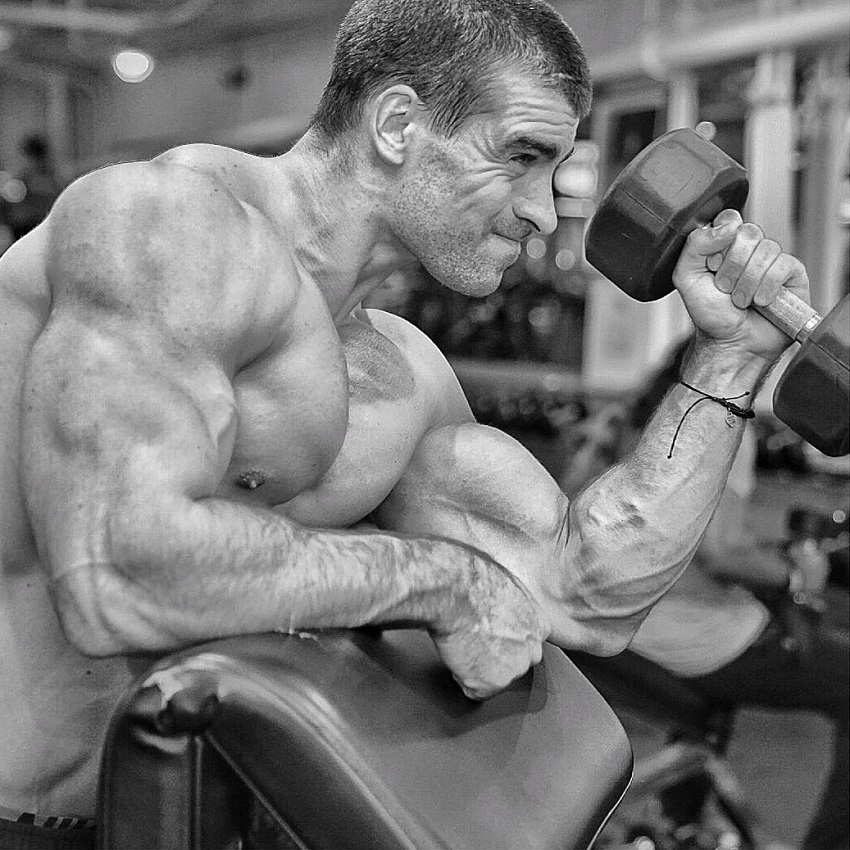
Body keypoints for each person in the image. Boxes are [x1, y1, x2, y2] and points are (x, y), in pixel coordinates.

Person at [0, 0, 811, 845]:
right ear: (397, 122)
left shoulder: (399, 371)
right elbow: (115, 572)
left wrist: (727, 362)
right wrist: (440, 581)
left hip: (173, 821)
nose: (543, 211)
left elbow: (589, 596)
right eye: (521, 158)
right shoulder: (164, 224)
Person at [614, 340, 850, 850]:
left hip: (624, 625)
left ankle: (682, 820)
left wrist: (773, 554)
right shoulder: (723, 426)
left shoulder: (631, 423)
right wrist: (795, 574)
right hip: (690, 636)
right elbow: (718, 553)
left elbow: (686, 530)